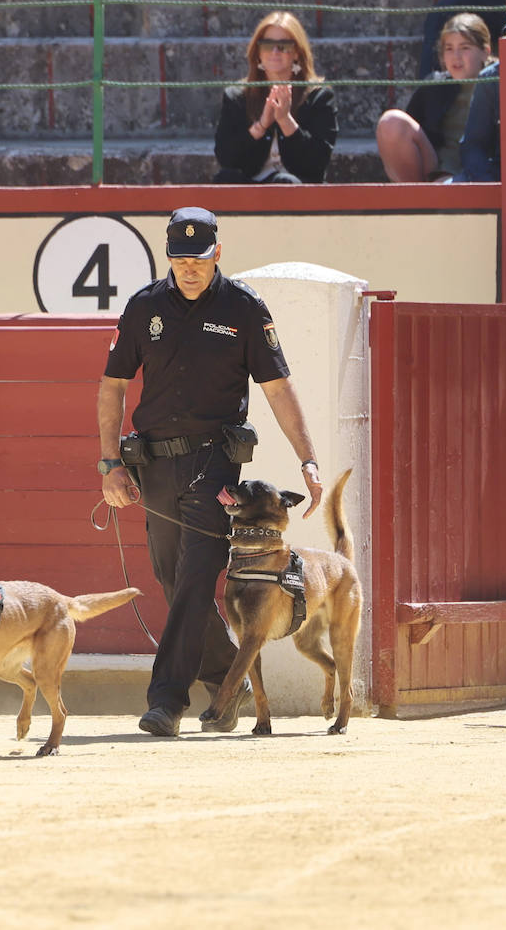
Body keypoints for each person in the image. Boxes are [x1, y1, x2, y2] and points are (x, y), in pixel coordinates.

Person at [97, 207, 324, 737]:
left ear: (217, 254)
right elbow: (112, 385)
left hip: (213, 465)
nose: (189, 269)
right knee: (172, 578)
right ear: (168, 257)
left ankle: (166, 700)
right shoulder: (144, 306)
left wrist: (307, 459)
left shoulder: (244, 307)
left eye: (198, 260)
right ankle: (228, 678)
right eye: (179, 259)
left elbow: (278, 388)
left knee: (196, 579)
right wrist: (110, 463)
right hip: (152, 463)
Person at [214, 11, 338, 184]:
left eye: (284, 45)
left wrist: (286, 121)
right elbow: (226, 158)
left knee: (284, 183)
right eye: (267, 45)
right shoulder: (237, 96)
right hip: (251, 185)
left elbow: (317, 163)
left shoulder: (319, 96)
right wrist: (261, 126)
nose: (274, 51)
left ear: (296, 52)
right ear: (258, 52)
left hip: (298, 186)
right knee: (225, 180)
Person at [377, 13, 494, 182]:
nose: (456, 57)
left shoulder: (497, 86)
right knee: (391, 122)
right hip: (439, 169)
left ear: (485, 52)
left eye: (465, 48)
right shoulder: (434, 86)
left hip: (479, 171)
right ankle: (417, 201)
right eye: (449, 48)